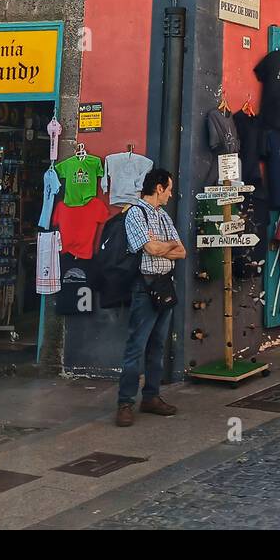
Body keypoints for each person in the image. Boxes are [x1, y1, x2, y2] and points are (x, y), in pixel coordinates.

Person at [116, 168, 186, 427]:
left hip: (164, 285)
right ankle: (125, 402)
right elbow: (150, 248)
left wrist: (162, 246)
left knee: (157, 346)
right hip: (144, 287)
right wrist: (163, 246)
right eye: (168, 188)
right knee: (136, 347)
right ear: (158, 188)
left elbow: (182, 252)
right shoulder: (135, 213)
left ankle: (151, 396)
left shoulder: (163, 216)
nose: (170, 193)